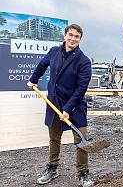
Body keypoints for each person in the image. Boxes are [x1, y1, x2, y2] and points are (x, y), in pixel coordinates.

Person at [27, 24, 94, 187]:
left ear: (80, 39)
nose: (73, 39)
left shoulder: (83, 61)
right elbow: (42, 65)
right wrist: (33, 79)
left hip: (75, 105)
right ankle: (52, 168)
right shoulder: (54, 52)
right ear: (65, 35)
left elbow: (81, 88)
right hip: (54, 102)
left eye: (76, 36)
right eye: (70, 35)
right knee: (54, 137)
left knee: (81, 138)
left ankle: (83, 173)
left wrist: (68, 109)